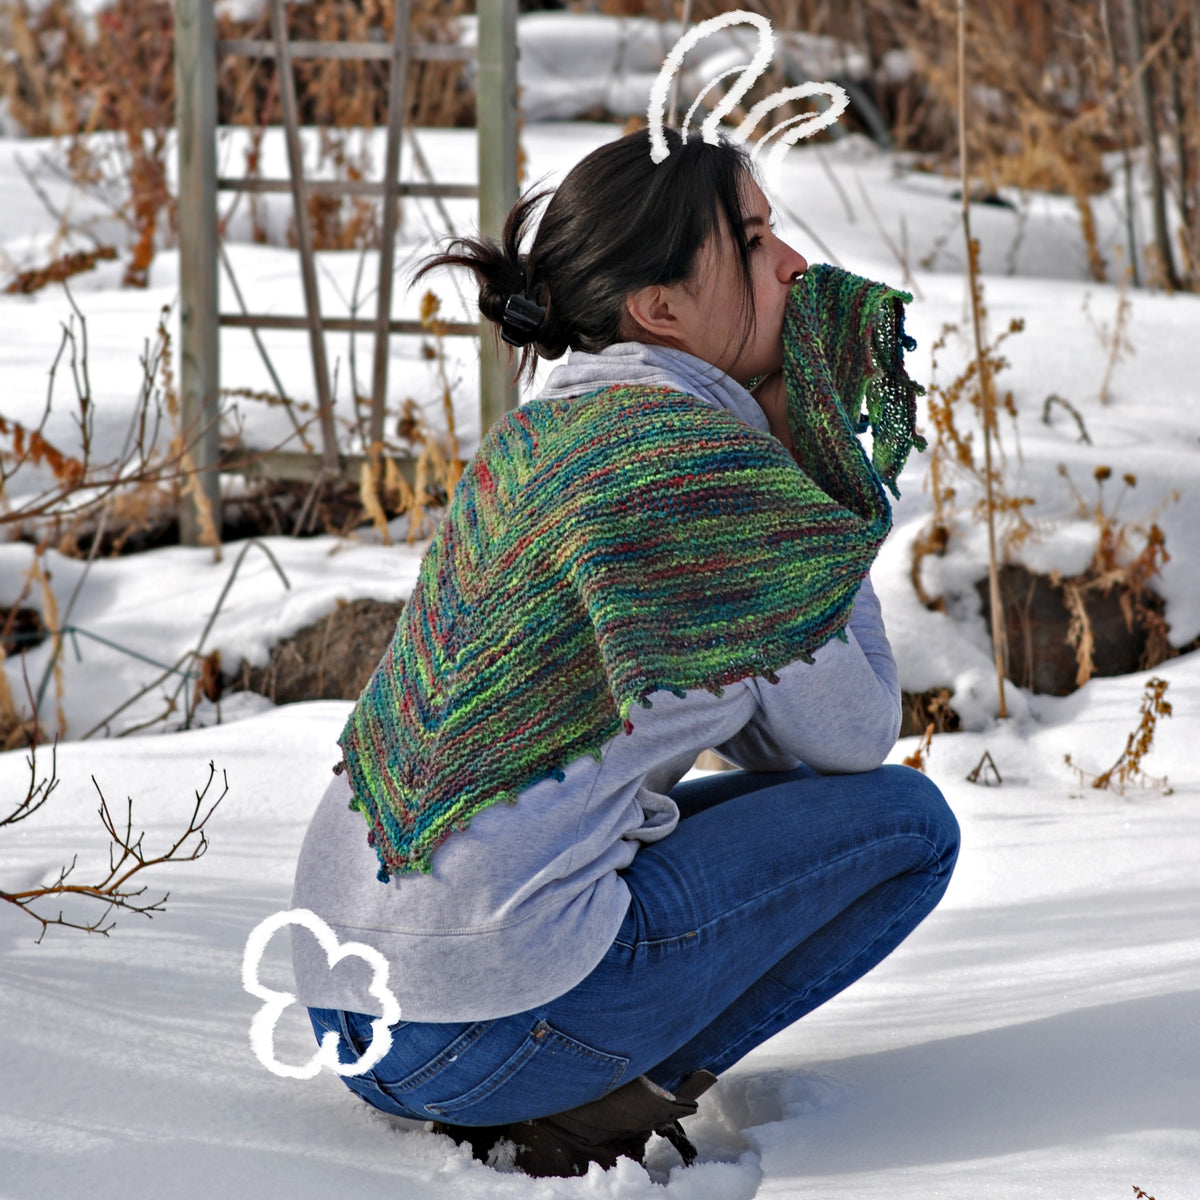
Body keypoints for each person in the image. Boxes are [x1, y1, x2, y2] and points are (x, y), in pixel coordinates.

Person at [290, 127, 959, 1178]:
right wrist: (811, 480)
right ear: (661, 308)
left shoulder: (536, 444)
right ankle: (594, 1103)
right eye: (752, 239)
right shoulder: (701, 472)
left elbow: (765, 752)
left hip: (346, 1010)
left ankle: (559, 1062)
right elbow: (850, 743)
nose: (795, 266)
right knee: (911, 826)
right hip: (492, 1027)